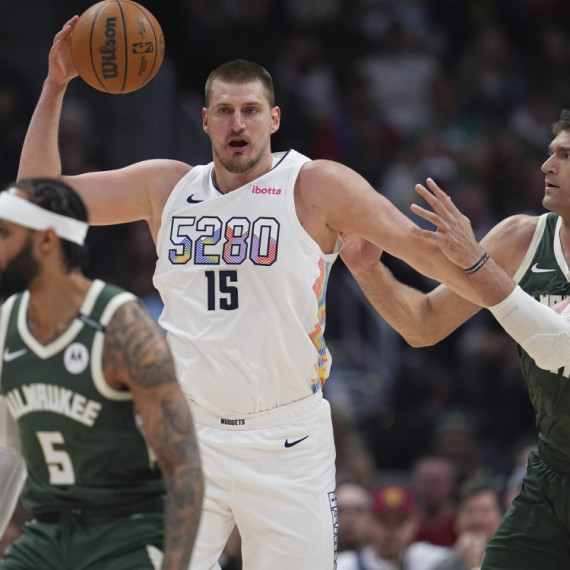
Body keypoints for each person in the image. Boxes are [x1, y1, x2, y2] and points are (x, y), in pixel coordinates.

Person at [18, 18, 490, 570]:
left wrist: (498, 288)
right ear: (205, 121)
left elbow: (417, 248)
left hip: (288, 440)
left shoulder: (315, 185)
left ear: (274, 119)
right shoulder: (166, 187)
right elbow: (37, 202)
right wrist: (55, 85)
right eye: (224, 111)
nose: (237, 123)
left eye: (250, 110)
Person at [341, 109, 570, 569]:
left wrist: (474, 261)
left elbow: (557, 346)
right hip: (553, 469)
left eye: (565, 155)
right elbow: (424, 324)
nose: (547, 165)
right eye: (550, 153)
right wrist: (368, 268)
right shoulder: (520, 239)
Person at [0, 178, 203, 569]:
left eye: (5, 234)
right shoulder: (7, 324)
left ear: (46, 241)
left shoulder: (122, 328)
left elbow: (184, 467)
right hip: (47, 535)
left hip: (124, 535)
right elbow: (7, 450)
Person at [336, 484, 449, 570]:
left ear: (413, 524)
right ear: (370, 522)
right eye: (384, 521)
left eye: (400, 522)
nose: (392, 529)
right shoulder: (345, 564)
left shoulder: (423, 558)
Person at [431, 478, 503, 570]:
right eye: (470, 512)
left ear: (501, 518)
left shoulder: (514, 560)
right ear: (457, 521)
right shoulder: (444, 566)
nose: (477, 520)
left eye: (484, 511)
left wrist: (474, 565)